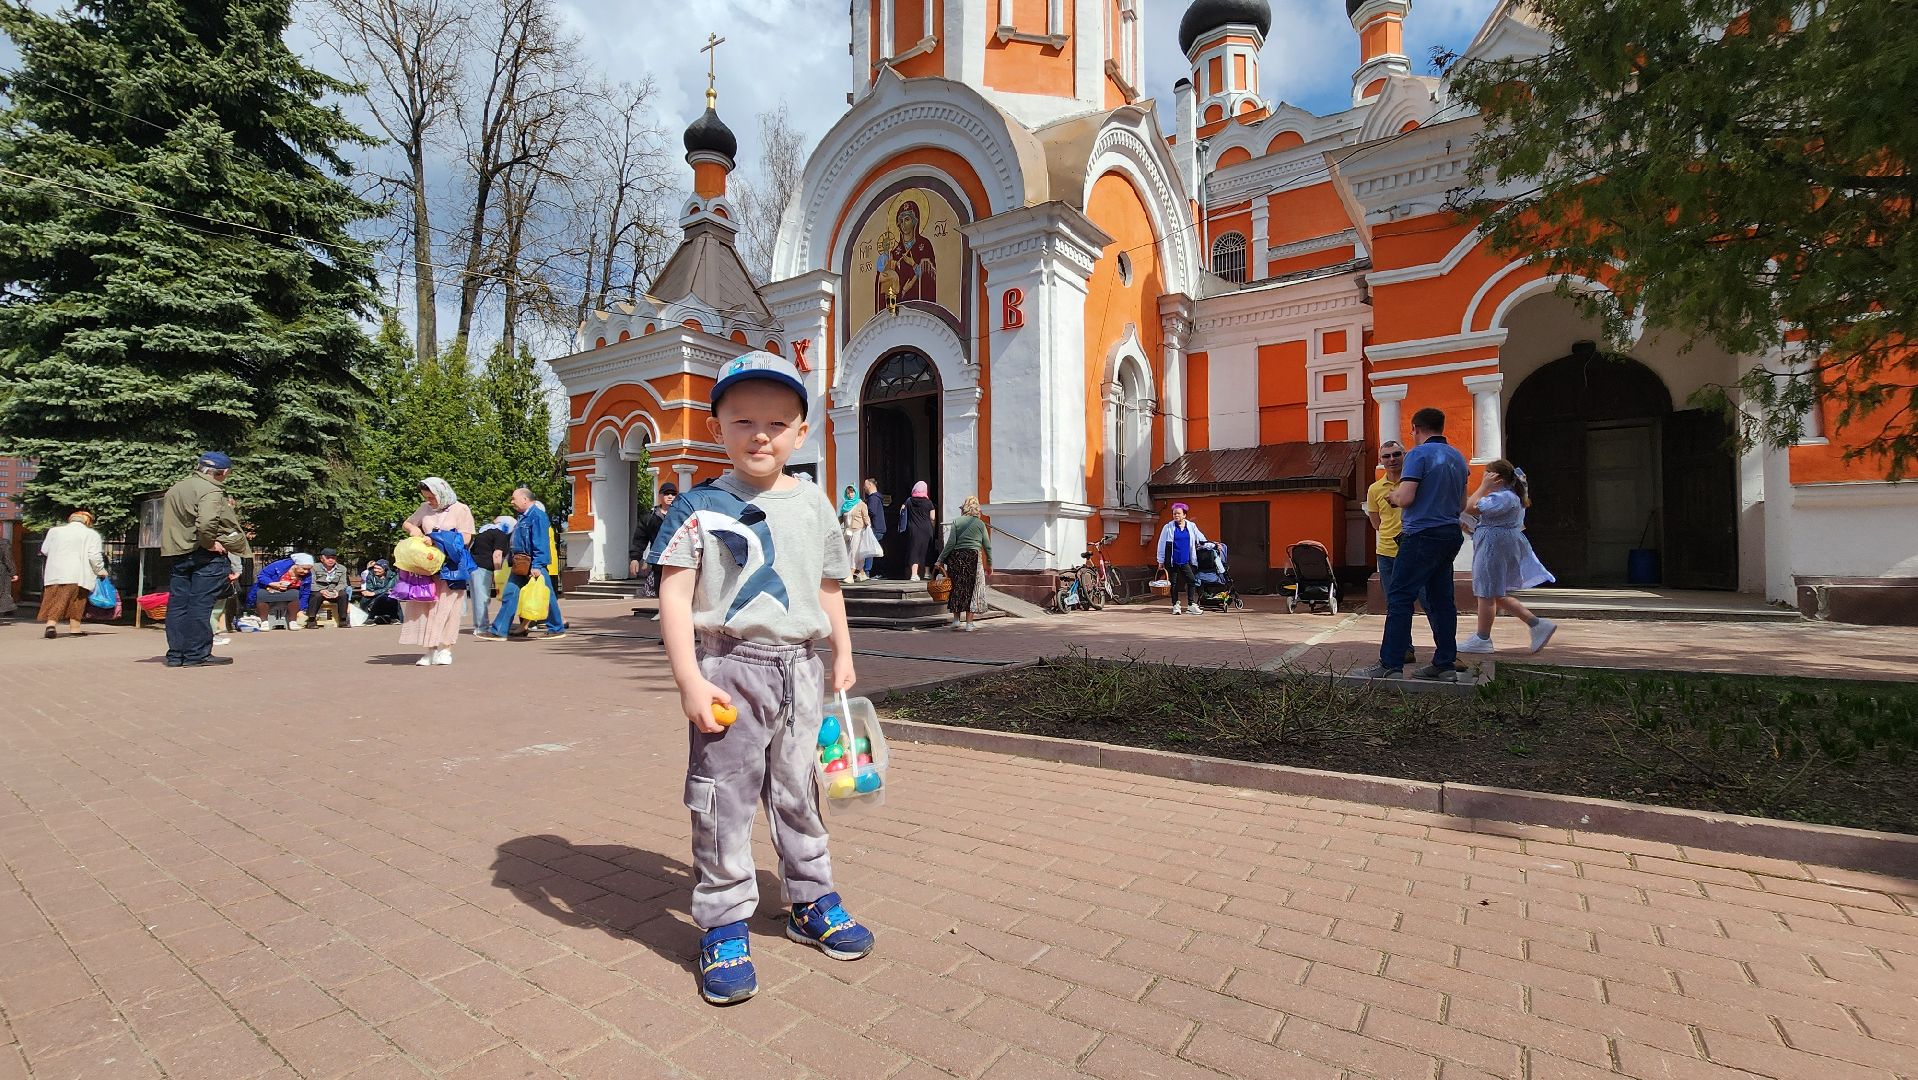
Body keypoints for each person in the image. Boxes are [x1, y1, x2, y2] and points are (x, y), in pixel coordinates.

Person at [646, 350, 872, 1007]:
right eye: (742, 420)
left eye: (777, 423)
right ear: (716, 427)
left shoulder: (815, 504)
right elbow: (674, 594)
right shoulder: (699, 505)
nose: (760, 435)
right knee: (723, 798)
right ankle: (723, 922)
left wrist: (842, 652)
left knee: (800, 790)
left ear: (801, 431)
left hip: (802, 668)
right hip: (730, 668)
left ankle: (810, 898)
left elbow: (827, 586)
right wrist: (688, 679)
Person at [1359, 407, 1470, 682]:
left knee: (1399, 597)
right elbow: (1461, 504)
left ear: (1415, 429)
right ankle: (1444, 664)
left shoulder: (1418, 455)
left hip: (1421, 534)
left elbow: (1406, 498)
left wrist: (1393, 497)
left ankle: (1390, 664)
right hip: (1449, 533)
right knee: (1441, 599)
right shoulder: (1457, 456)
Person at [1459, 460, 1559, 655]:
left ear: (1496, 478)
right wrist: (1472, 528)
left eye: (1487, 474)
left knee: (1486, 592)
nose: (1484, 477)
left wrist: (1483, 487)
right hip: (1495, 542)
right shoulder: (1507, 497)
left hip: (1494, 546)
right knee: (1496, 593)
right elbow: (1488, 520)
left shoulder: (1504, 497)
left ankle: (1482, 638)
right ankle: (1537, 624)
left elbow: (1469, 507)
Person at [161, 452, 250, 667]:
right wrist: (209, 543)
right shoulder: (211, 490)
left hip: (179, 552)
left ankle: (176, 655)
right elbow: (207, 522)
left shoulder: (177, 488)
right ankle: (196, 655)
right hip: (204, 554)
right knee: (200, 605)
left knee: (178, 604)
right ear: (224, 472)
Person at [400, 477, 476, 666]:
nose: (429, 501)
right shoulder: (425, 508)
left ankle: (446, 649)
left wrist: (436, 539)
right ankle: (431, 650)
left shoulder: (461, 509)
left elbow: (466, 538)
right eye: (426, 497)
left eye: (432, 497)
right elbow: (407, 523)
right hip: (428, 565)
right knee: (428, 606)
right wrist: (413, 529)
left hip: (452, 566)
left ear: (442, 493)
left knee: (448, 608)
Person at [485, 487, 566, 642]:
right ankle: (499, 631)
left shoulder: (537, 516)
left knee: (546, 595)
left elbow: (540, 541)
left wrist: (537, 565)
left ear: (525, 499)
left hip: (532, 563)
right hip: (521, 563)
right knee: (510, 593)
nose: (512, 502)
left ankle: (556, 628)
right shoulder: (523, 516)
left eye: (514, 498)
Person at [1365, 441, 1418, 666]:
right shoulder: (1375, 489)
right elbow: (1375, 522)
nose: (1392, 459)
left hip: (1415, 549)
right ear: (1381, 460)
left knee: (1429, 600)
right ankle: (1405, 649)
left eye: (1396, 454)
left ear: (1405, 456)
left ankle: (1447, 653)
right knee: (1395, 603)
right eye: (1386, 456)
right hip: (1387, 552)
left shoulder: (1413, 483)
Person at [38, 510, 108, 639]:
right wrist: (100, 570)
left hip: (54, 572)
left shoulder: (54, 531)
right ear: (87, 521)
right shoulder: (91, 534)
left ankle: (55, 626)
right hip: (78, 573)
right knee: (78, 600)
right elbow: (94, 556)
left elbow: (45, 550)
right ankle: (70, 628)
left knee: (54, 598)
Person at [935, 496, 992, 632]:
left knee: (957, 587)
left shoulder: (957, 522)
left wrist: (940, 559)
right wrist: (989, 564)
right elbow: (987, 546)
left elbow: (950, 544)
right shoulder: (980, 524)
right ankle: (969, 623)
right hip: (974, 557)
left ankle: (956, 620)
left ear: (964, 508)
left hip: (957, 558)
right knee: (972, 589)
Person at [628, 483, 679, 620]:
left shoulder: (681, 515)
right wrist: (635, 558)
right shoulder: (650, 517)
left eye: (673, 494)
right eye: (666, 494)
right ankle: (663, 611)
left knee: (677, 585)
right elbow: (640, 538)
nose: (670, 496)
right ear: (660, 496)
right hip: (659, 558)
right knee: (660, 586)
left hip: (678, 557)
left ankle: (677, 613)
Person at [1155, 503, 1208, 616]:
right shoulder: (1168, 527)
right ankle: (1175, 605)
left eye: (1178, 513)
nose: (1176, 515)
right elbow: (1161, 544)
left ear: (1184, 515)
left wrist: (1212, 545)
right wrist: (1160, 560)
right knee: (1174, 583)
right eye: (1174, 514)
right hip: (1172, 560)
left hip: (1185, 560)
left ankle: (1191, 605)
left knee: (1192, 580)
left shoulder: (1191, 526)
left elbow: (1201, 539)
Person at [469, 515, 513, 637]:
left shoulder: (484, 532)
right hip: (484, 568)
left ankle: (479, 625)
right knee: (483, 599)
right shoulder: (500, 535)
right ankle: (482, 628)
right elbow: (497, 555)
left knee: (477, 598)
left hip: (472, 567)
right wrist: (498, 573)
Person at [248, 553, 314, 627]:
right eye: (304, 569)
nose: (306, 572)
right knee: (261, 594)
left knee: (295, 594)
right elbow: (262, 576)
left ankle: (293, 621)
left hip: (289, 592)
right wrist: (272, 584)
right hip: (269, 588)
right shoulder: (279, 566)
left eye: (308, 569)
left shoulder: (307, 575)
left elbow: (305, 592)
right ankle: (264, 621)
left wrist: (302, 609)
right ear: (296, 565)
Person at [304, 549, 352, 628]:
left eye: (333, 558)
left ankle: (343, 620)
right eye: (328, 558)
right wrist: (321, 590)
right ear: (321, 559)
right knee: (316, 596)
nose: (331, 560)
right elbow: (312, 583)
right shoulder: (314, 567)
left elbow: (343, 583)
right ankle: (311, 620)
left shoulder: (342, 568)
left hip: (333, 591)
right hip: (319, 590)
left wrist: (336, 590)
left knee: (343, 595)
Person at [902, 481, 937, 581]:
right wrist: (933, 527)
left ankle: (914, 574)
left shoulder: (909, 501)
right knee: (927, 549)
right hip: (927, 529)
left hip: (913, 529)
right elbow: (932, 517)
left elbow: (902, 510)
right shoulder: (929, 503)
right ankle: (927, 573)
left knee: (914, 550)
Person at [840, 493, 877, 584]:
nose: (850, 494)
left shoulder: (861, 504)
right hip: (848, 532)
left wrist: (868, 526)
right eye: (848, 493)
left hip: (858, 531)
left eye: (852, 492)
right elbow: (841, 518)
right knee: (848, 551)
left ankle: (850, 574)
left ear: (855, 493)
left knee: (854, 552)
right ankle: (862, 573)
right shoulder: (845, 505)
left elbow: (865, 517)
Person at [861, 478, 887, 579]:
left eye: (865, 485)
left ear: (870, 485)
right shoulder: (877, 497)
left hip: (875, 527)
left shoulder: (873, 498)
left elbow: (871, 511)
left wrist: (863, 509)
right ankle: (879, 572)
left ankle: (867, 572)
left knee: (870, 549)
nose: (864, 487)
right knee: (877, 550)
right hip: (879, 527)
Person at [0, 533, 17, 623]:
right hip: (1, 572)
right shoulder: (3, 543)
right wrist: (13, 572)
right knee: (2, 591)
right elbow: (7, 558)